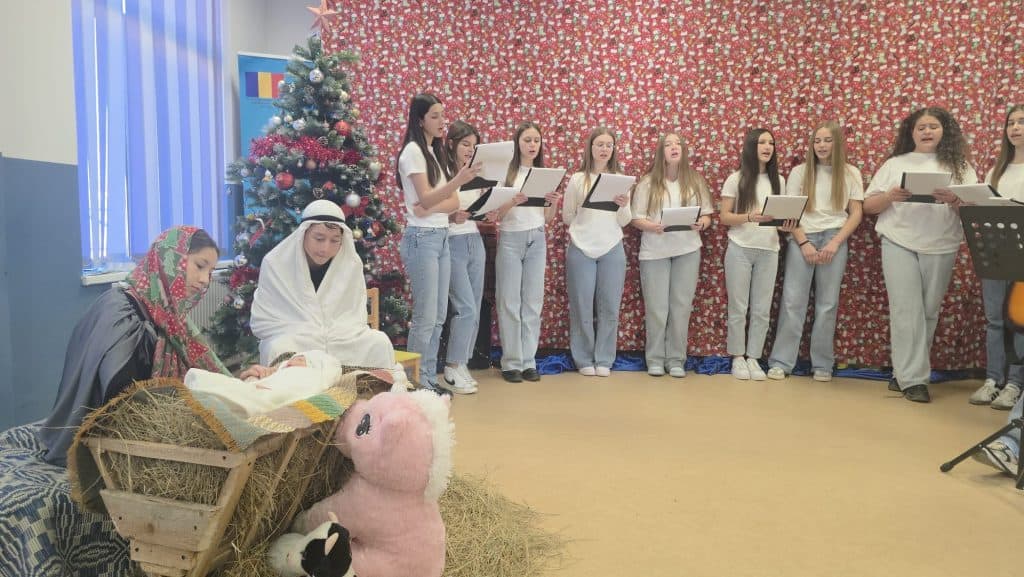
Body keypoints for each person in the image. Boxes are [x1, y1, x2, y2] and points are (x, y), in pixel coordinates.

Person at [39, 226, 229, 466]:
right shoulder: (122, 313)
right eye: (200, 266)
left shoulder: (167, 313)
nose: (205, 280)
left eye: (210, 272)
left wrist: (234, 385)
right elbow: (119, 402)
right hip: (106, 440)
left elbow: (201, 365)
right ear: (170, 259)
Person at [863, 106, 977, 403]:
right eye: (921, 127)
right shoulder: (894, 164)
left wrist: (955, 200)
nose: (927, 131)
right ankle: (913, 380)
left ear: (944, 131)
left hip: (942, 245)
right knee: (906, 310)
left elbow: (973, 211)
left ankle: (903, 372)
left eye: (933, 126)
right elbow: (868, 206)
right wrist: (890, 196)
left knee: (927, 312)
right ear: (911, 133)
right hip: (898, 241)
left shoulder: (961, 166)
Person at [250, 200, 403, 376]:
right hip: (296, 337)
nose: (325, 248)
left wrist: (330, 333)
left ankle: (365, 392)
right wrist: (312, 331)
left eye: (334, 241)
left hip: (342, 337)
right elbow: (264, 319)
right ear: (303, 233)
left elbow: (355, 315)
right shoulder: (276, 263)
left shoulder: (351, 264)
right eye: (319, 239)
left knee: (379, 342)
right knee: (279, 347)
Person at [766, 121, 864, 382]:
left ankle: (822, 363)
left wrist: (835, 243)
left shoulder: (851, 173)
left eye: (827, 140)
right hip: (803, 237)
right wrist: (803, 243)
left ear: (837, 143)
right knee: (792, 301)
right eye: (817, 141)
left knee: (827, 304)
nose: (821, 145)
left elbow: (856, 213)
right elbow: (790, 214)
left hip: (835, 237)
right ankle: (781, 362)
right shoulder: (799, 172)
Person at [395, 93, 479, 391]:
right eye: (435, 116)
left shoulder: (434, 151)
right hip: (422, 239)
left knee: (439, 316)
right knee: (425, 316)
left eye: (443, 114)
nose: (442, 121)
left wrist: (432, 203)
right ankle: (414, 382)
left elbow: (448, 202)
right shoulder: (413, 152)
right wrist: (455, 182)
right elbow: (426, 199)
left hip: (441, 235)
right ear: (420, 120)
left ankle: (429, 378)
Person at [631, 132, 713, 378]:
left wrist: (703, 223)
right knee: (657, 309)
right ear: (661, 152)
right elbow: (636, 218)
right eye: (668, 144)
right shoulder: (647, 183)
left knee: (681, 307)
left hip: (687, 250)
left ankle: (676, 359)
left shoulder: (695, 181)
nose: (674, 147)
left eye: (678, 143)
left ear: (684, 150)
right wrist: (653, 226)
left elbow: (707, 215)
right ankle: (655, 359)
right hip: (655, 252)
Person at [719, 128, 794, 381]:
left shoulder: (779, 180)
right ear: (751, 146)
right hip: (739, 248)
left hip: (769, 250)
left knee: (762, 309)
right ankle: (737, 357)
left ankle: (754, 358)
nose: (767, 147)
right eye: (762, 142)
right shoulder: (736, 178)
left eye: (771, 143)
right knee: (738, 307)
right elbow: (724, 217)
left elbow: (780, 219)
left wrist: (786, 225)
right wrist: (750, 217)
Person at [493, 121, 562, 383]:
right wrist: (513, 200)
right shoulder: (506, 174)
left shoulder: (544, 174)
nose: (532, 145)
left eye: (536, 140)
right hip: (511, 238)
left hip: (537, 237)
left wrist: (553, 203)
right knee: (509, 301)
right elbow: (496, 214)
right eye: (527, 140)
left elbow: (548, 217)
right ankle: (511, 362)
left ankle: (528, 361)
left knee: (533, 302)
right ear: (517, 143)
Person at [562, 127, 632, 377]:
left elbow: (625, 220)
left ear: (613, 150)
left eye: (608, 145)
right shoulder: (577, 179)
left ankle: (604, 358)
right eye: (599, 144)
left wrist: (623, 206)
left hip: (612, 247)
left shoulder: (621, 180)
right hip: (581, 247)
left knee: (610, 306)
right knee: (581, 306)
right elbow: (567, 216)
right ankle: (583, 358)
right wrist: (584, 219)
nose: (604, 149)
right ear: (590, 148)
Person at [969, 104, 1024, 409]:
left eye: (1021, 122)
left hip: (1022, 249)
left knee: (1018, 319)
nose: (1015, 128)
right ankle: (993, 380)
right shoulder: (996, 170)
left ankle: (1015, 384)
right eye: (1011, 123)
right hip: (995, 249)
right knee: (994, 319)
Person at [440, 120, 485, 394]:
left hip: (475, 239)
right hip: (452, 241)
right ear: (452, 144)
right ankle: (451, 366)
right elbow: (432, 209)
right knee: (464, 307)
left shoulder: (476, 173)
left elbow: (476, 206)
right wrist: (451, 217)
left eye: (473, 145)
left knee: (474, 307)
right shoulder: (443, 172)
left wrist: (488, 211)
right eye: (465, 144)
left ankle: (463, 363)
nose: (469, 149)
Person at [186, 350, 344, 418]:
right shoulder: (281, 370)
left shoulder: (310, 377)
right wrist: (258, 380)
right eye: (293, 358)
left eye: (300, 359)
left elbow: (294, 391)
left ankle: (230, 399)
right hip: (260, 389)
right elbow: (270, 381)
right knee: (239, 388)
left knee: (256, 398)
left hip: (268, 399)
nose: (291, 362)